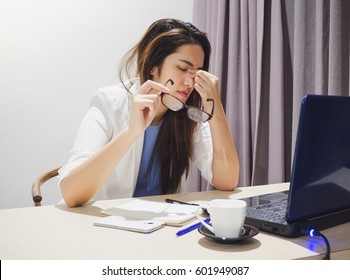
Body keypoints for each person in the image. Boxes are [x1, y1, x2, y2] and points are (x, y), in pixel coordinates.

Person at [59, 18, 239, 207]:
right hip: (105, 225)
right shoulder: (109, 102)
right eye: (183, 68)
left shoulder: (188, 115)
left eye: (197, 73)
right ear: (153, 66)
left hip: (161, 228)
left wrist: (215, 105)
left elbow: (226, 181)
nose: (190, 83)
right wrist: (131, 132)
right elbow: (72, 194)